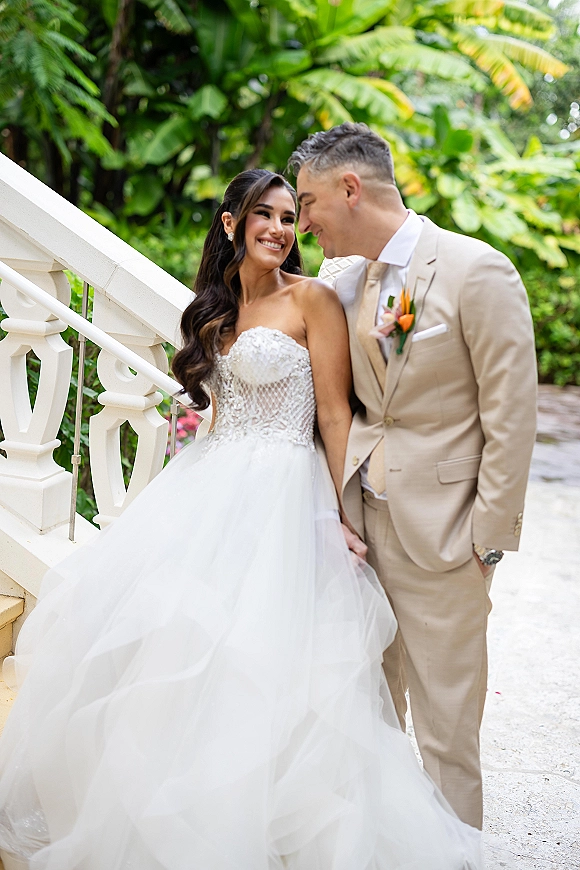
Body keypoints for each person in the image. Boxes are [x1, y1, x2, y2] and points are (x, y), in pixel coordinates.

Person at [0, 169, 482, 870]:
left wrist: (343, 516)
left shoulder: (312, 300)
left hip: (288, 496)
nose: (280, 230)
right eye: (265, 214)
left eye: (290, 218)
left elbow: (333, 414)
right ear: (231, 223)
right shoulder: (213, 314)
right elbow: (221, 414)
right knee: (176, 652)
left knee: (268, 666)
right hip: (213, 484)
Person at [288, 123, 538, 830]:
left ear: (350, 188)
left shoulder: (476, 269)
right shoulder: (342, 282)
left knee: (447, 737)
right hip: (363, 536)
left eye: (307, 203)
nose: (304, 222)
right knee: (368, 721)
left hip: (447, 543)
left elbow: (511, 416)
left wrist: (486, 541)